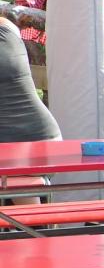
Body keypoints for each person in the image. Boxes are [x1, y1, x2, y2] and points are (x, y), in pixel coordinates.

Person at [0, 15, 61, 205]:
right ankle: (36, 221)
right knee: (22, 191)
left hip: (11, 149)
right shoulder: (8, 28)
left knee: (16, 179)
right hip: (48, 142)